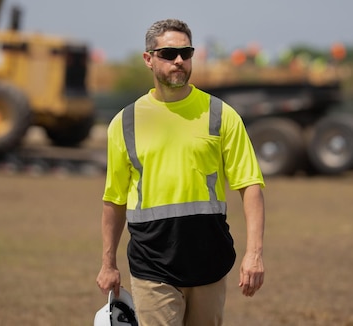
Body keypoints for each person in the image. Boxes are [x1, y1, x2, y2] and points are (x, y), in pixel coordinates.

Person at [96, 18, 266, 326]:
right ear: (149, 59)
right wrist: (108, 263)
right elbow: (114, 198)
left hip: (209, 262)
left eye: (186, 53)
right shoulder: (125, 122)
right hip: (152, 264)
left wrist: (253, 254)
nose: (179, 60)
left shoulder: (221, 115)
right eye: (168, 54)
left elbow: (250, 184)